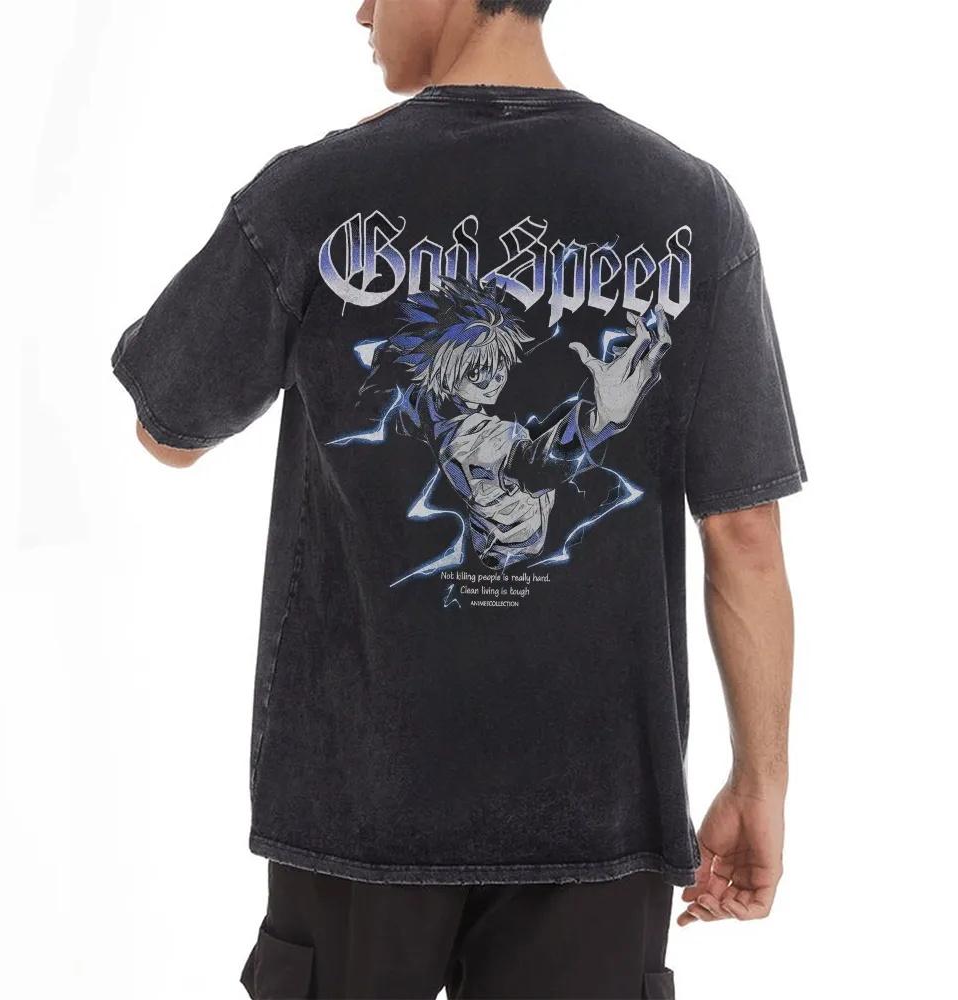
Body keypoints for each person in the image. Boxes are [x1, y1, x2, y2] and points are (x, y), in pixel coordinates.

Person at [111, 0, 806, 996]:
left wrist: (320, 191)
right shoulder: (690, 207)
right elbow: (744, 532)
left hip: (359, 804)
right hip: (598, 816)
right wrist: (760, 781)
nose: (359, 10)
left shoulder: (320, 192)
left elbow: (167, 426)